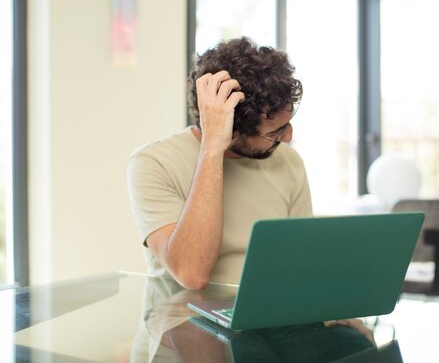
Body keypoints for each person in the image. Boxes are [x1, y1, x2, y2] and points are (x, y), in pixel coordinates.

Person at [127, 37, 313, 291]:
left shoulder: (288, 162)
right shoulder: (153, 163)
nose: (289, 136)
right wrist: (213, 149)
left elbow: (301, 263)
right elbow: (191, 274)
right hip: (182, 323)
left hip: (265, 319)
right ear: (233, 131)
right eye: (274, 132)